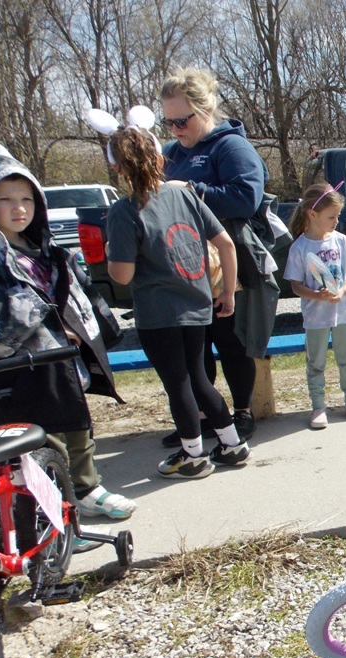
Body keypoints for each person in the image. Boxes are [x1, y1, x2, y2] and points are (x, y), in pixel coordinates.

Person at [0, 153, 137, 549]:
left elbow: (77, 295)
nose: (18, 208)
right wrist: (44, 315)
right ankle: (55, 522)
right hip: (16, 372)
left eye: (27, 199)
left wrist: (90, 327)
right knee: (41, 445)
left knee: (77, 426)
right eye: (5, 199)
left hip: (58, 362)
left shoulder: (46, 250)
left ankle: (87, 489)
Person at [97, 111, 251, 479]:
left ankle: (193, 455)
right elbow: (226, 244)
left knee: (178, 383)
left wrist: (111, 254)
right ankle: (232, 444)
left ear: (117, 167)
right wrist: (227, 292)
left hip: (158, 314)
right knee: (198, 378)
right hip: (197, 303)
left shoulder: (124, 211)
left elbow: (123, 274)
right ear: (160, 158)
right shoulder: (184, 194)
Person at [158, 66, 279, 446]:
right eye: (168, 122)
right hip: (183, 264)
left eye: (182, 120)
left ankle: (241, 412)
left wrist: (190, 190)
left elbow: (245, 198)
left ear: (206, 110)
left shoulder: (231, 148)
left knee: (231, 341)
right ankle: (205, 416)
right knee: (194, 345)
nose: (175, 129)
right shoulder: (171, 153)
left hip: (226, 264)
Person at [283, 182, 346, 429]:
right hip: (316, 318)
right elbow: (295, 285)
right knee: (316, 363)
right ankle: (318, 407)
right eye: (331, 217)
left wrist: (342, 290)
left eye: (338, 216)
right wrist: (316, 296)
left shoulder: (342, 241)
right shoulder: (299, 247)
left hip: (345, 314)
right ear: (312, 214)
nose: (336, 221)